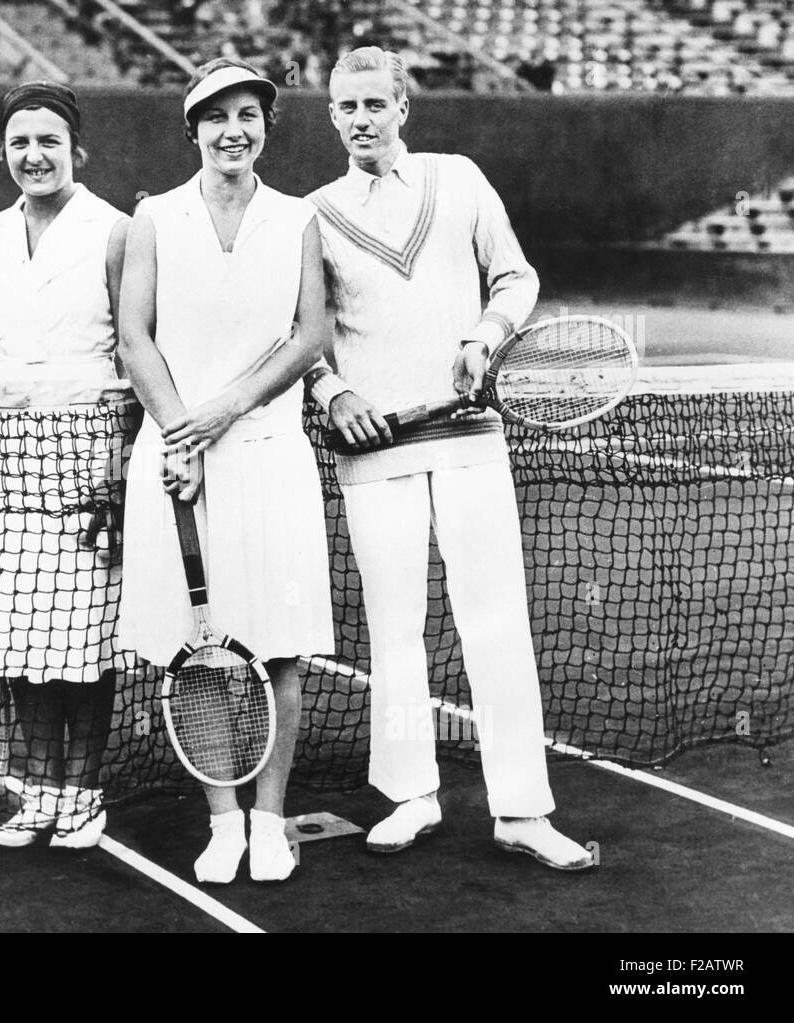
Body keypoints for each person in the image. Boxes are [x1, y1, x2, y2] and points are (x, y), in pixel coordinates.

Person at [306, 46, 594, 870]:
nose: (361, 119)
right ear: (331, 117)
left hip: (468, 438)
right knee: (394, 629)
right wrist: (332, 393)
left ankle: (523, 809)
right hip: (374, 449)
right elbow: (302, 331)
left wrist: (483, 338)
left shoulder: (459, 178)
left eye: (374, 103)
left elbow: (515, 276)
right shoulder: (315, 213)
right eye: (345, 107)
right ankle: (409, 795)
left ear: (403, 107)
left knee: (495, 617)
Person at [118, 58, 335, 884]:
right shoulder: (154, 219)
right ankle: (223, 821)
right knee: (198, 651)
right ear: (192, 129)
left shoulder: (298, 219)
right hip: (176, 459)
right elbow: (135, 336)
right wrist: (180, 432)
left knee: (277, 649)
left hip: (269, 454)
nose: (232, 129)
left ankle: (272, 819)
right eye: (216, 117)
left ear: (266, 127)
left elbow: (308, 336)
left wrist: (225, 410)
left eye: (248, 114)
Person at [0, 82, 130, 850]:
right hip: (5, 452)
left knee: (82, 637)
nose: (35, 154)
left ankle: (86, 791)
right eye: (21, 141)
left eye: (50, 140)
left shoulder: (117, 229)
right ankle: (42, 788)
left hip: (88, 444)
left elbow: (135, 346)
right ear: (4, 153)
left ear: (76, 151)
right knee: (20, 631)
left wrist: (121, 463)